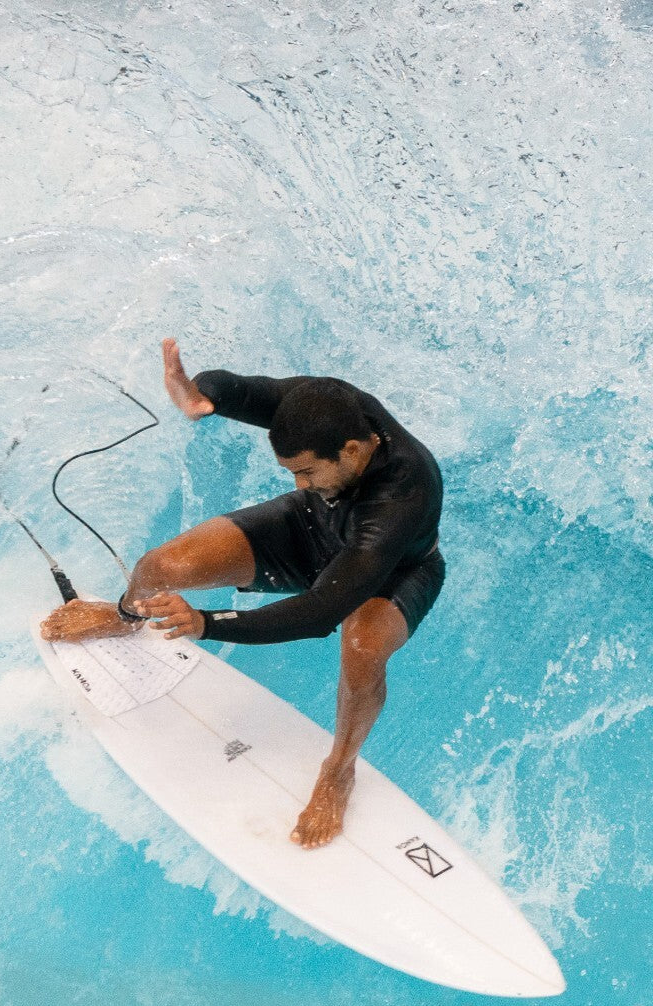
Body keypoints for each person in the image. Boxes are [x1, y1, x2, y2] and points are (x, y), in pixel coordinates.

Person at [41, 339, 444, 849]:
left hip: (390, 571)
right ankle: (123, 616)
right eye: (292, 472)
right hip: (310, 532)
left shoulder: (403, 495)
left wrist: (207, 624)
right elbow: (252, 393)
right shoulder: (331, 405)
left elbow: (319, 614)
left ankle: (339, 769)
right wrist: (201, 393)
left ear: (352, 451)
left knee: (362, 649)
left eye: (306, 472)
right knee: (161, 566)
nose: (299, 482)